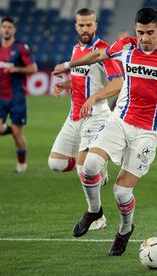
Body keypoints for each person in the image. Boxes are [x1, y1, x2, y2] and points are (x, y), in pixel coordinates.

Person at [52, 7, 157, 256]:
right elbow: (98, 55)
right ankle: (94, 210)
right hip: (120, 120)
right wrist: (68, 64)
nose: (145, 38)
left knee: (122, 191)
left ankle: (124, 230)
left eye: (150, 33)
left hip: (148, 131)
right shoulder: (126, 46)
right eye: (140, 32)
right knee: (89, 166)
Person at [48, 8, 123, 231]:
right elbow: (83, 80)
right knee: (56, 163)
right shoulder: (76, 50)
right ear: (76, 26)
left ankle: (98, 216)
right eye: (81, 25)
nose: (85, 29)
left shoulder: (103, 51)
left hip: (96, 115)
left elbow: (118, 82)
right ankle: (99, 170)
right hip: (74, 116)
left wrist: (95, 97)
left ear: (96, 25)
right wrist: (65, 84)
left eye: (89, 25)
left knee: (83, 170)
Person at [0, 16, 38, 173]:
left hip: (17, 98)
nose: (6, 29)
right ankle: (12, 129)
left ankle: (21, 165)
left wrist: (17, 69)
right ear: (0, 29)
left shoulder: (21, 48)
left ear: (13, 30)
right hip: (0, 98)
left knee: (18, 135)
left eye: (9, 27)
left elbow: (33, 68)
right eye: (4, 27)